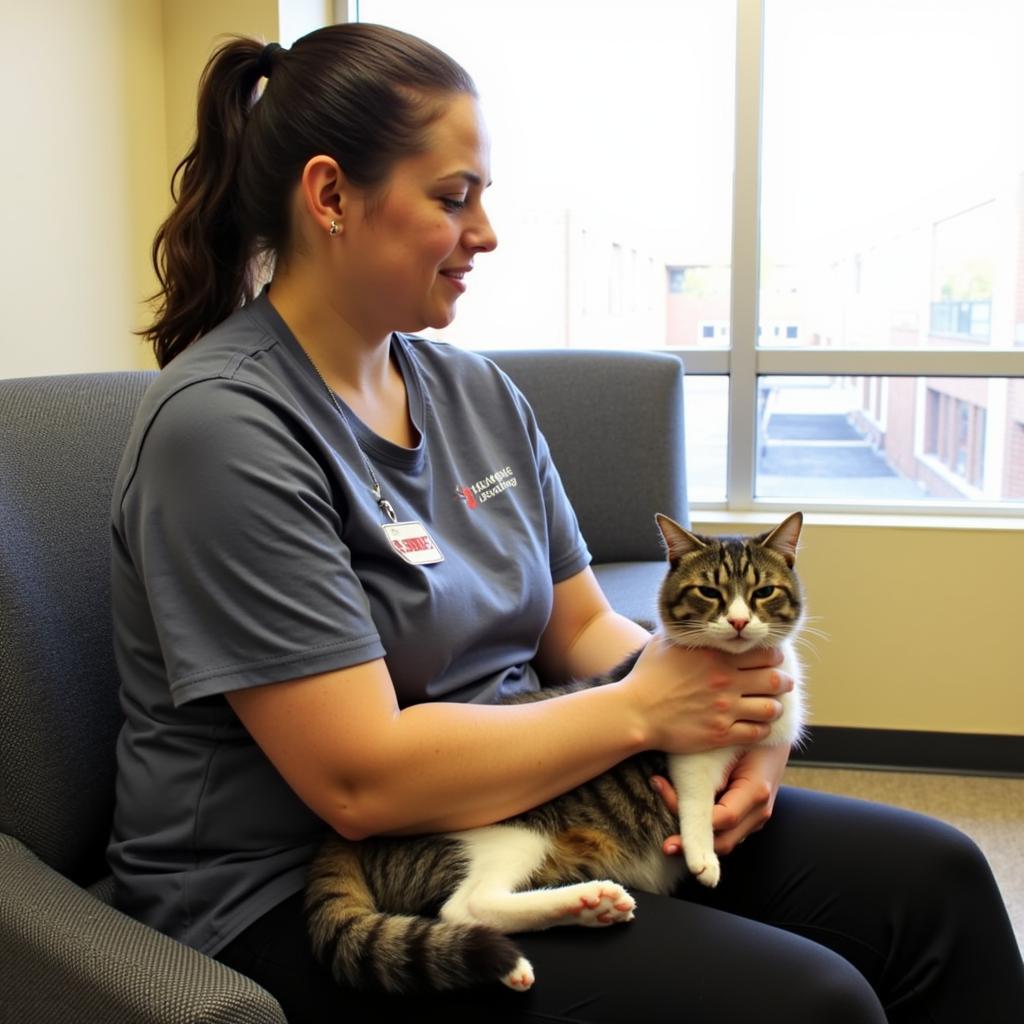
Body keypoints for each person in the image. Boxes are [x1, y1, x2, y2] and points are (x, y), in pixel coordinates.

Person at [108, 21, 1024, 1024]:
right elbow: (357, 783)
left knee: (937, 881)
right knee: (812, 1002)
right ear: (330, 196)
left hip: (533, 802)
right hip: (311, 889)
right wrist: (641, 711)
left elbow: (584, 629)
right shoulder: (226, 431)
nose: (488, 232)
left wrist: (738, 721)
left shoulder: (475, 395)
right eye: (454, 198)